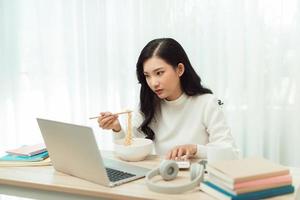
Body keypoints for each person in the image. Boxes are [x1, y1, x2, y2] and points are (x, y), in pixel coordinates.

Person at [98, 38, 237, 160]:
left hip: (198, 180)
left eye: (159, 73)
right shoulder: (148, 106)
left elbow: (231, 153)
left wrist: (195, 149)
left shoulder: (206, 103)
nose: (153, 83)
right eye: (147, 75)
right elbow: (129, 150)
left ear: (180, 69)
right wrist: (116, 128)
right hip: (163, 177)